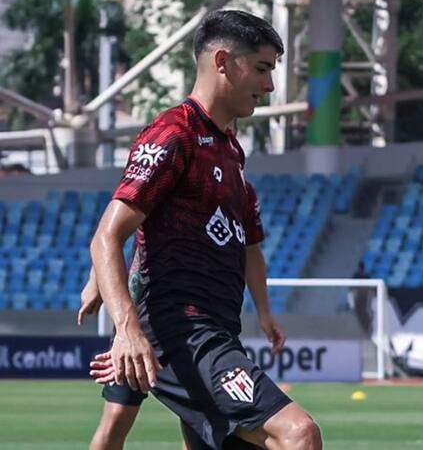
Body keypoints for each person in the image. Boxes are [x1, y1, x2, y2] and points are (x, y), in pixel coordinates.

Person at [88, 9, 321, 450]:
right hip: (182, 332)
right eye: (262, 69)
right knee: (298, 434)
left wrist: (265, 311)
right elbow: (108, 233)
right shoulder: (173, 134)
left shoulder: (232, 153)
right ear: (222, 62)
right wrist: (126, 327)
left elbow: (249, 246)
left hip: (217, 331)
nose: (270, 86)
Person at [78, 182, 284, 450]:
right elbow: (113, 230)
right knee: (117, 417)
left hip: (199, 324)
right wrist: (96, 280)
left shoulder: (243, 192)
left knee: (200, 411)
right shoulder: (172, 172)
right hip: (143, 319)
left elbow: (252, 251)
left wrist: (265, 312)